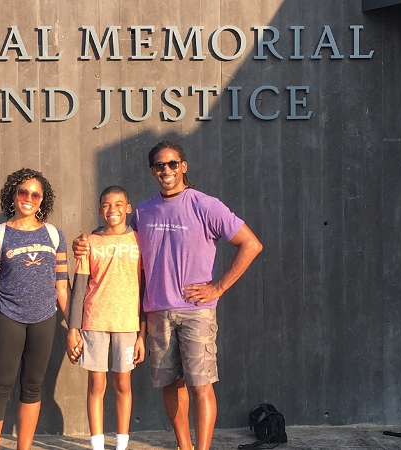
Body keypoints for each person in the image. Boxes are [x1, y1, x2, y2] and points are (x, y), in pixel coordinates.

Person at [73, 141, 263, 450]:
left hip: (195, 311)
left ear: (183, 166)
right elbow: (117, 234)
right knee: (171, 386)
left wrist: (217, 287)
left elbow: (251, 244)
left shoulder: (205, 205)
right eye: (160, 166)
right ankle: (183, 447)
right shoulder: (145, 211)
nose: (167, 170)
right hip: (157, 312)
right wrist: (85, 242)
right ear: (152, 171)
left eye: (172, 164)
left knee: (200, 385)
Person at [0, 168, 70, 450]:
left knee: (33, 387)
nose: (28, 198)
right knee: (1, 386)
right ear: (13, 195)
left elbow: (62, 287)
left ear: (42, 200)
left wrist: (75, 327)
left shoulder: (55, 235)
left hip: (45, 319)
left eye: (35, 194)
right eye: (23, 192)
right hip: (8, 318)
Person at [66, 185, 146, 450]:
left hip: (127, 325)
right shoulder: (89, 242)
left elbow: (144, 287)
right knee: (96, 384)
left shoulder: (139, 240)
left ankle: (121, 444)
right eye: (107, 205)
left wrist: (142, 334)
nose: (113, 210)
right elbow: (79, 287)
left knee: (123, 383)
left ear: (128, 208)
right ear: (100, 210)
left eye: (118, 204)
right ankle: (97, 445)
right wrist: (73, 328)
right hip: (94, 322)